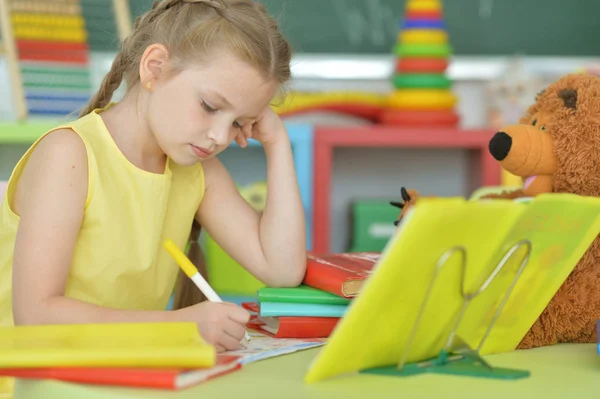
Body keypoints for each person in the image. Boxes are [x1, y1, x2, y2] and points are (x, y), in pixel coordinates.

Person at [0, 0, 306, 360]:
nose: (220, 137)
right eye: (210, 106)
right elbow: (35, 318)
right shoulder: (69, 155)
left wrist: (277, 143)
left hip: (121, 375)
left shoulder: (197, 171)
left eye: (240, 122)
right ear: (155, 68)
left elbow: (281, 268)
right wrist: (178, 327)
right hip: (30, 381)